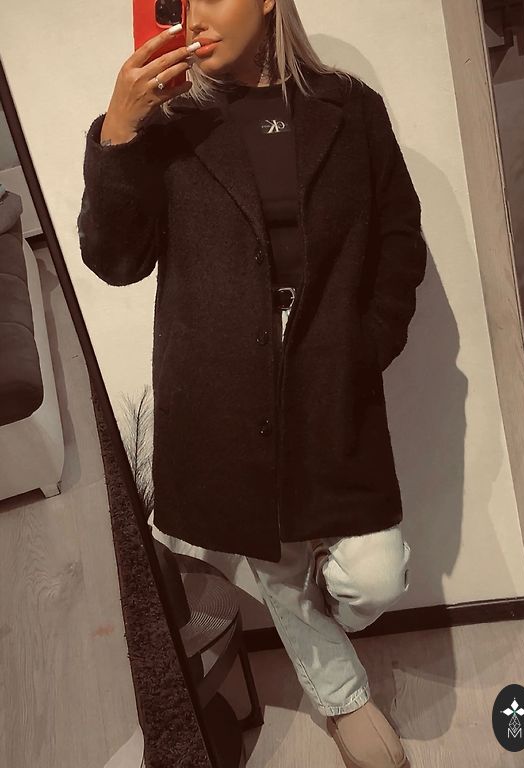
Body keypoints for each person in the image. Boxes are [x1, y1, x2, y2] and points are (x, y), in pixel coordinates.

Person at [78, 2, 426, 766]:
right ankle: (343, 699)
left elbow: (399, 238)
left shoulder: (350, 108)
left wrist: (366, 344)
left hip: (329, 372)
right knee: (279, 563)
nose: (194, 14)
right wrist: (120, 130)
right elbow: (115, 260)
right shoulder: (168, 126)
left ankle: (271, 581)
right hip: (221, 384)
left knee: (374, 577)